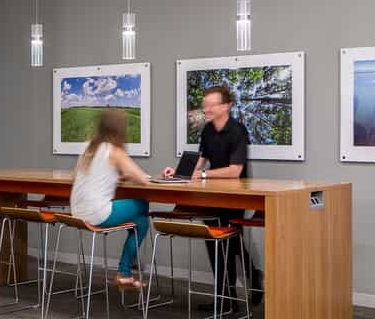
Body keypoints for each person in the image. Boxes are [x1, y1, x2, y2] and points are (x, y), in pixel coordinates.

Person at [162, 84, 263, 306]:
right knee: (216, 240)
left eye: (211, 104)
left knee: (228, 241)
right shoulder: (208, 130)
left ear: (226, 106)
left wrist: (204, 174)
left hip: (236, 195)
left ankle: (234, 292)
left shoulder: (238, 131)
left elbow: (235, 170)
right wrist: (180, 173)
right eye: (204, 104)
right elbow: (200, 160)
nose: (206, 109)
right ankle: (229, 296)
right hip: (212, 194)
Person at [70, 108, 155, 288]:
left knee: (140, 221)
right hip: (97, 214)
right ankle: (125, 269)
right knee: (142, 207)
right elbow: (141, 179)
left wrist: (117, 177)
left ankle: (129, 265)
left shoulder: (87, 147)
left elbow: (94, 175)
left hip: (76, 212)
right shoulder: (115, 151)